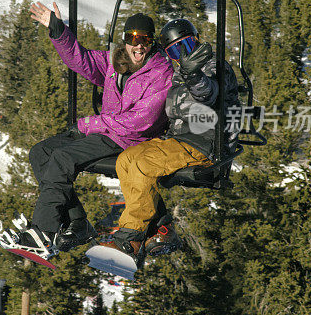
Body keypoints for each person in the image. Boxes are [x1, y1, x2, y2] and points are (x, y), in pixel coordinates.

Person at [18, 1, 174, 253]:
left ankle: (44, 230)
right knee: (41, 153)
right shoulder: (116, 62)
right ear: (124, 40)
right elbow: (81, 60)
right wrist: (59, 30)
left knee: (62, 158)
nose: (138, 44)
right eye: (132, 38)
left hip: (131, 140)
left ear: (152, 41)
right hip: (107, 131)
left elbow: (140, 121)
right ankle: (77, 223)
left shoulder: (161, 73)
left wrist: (93, 123)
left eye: (144, 38)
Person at [98, 18, 241, 265]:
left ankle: (131, 237)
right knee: (126, 160)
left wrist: (193, 72)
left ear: (195, 39)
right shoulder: (178, 72)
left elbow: (206, 94)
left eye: (185, 44)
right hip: (180, 139)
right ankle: (161, 229)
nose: (182, 53)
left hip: (205, 141)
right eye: (174, 50)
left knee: (143, 163)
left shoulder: (214, 66)